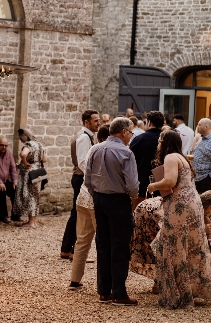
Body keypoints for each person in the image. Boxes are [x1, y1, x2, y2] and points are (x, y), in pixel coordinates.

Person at [146, 130, 211, 309]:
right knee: (190, 246)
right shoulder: (182, 157)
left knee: (172, 245)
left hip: (179, 205)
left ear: (165, 142)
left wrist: (153, 185)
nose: (158, 143)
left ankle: (178, 293)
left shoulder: (170, 158)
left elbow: (169, 182)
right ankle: (189, 289)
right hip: (192, 203)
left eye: (160, 140)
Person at [85, 117, 139, 306]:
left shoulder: (95, 149)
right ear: (124, 132)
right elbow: (133, 186)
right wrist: (131, 195)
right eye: (131, 132)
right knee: (120, 246)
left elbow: (87, 180)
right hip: (118, 200)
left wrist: (97, 194)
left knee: (103, 244)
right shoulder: (126, 152)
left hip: (100, 199)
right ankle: (119, 293)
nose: (130, 136)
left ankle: (104, 292)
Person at [68, 124, 109, 290]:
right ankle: (104, 284)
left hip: (84, 196)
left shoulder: (92, 149)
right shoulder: (106, 150)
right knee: (103, 242)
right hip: (95, 198)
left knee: (82, 240)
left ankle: (75, 280)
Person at [61, 109, 100, 260]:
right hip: (81, 177)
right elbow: (83, 162)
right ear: (87, 122)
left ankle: (67, 249)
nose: (99, 123)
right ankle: (72, 250)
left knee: (75, 213)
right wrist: (93, 178)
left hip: (80, 177)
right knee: (79, 214)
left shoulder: (86, 136)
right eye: (95, 121)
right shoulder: (84, 138)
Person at [12, 129, 47, 229]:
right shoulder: (40, 145)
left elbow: (23, 154)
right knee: (35, 196)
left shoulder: (29, 144)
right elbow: (44, 159)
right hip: (37, 173)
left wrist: (25, 162)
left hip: (28, 173)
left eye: (20, 138)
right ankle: (33, 221)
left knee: (30, 196)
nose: (20, 141)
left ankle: (31, 223)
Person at [129, 110, 164, 205]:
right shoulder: (167, 140)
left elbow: (129, 162)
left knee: (137, 216)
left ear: (149, 123)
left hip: (140, 186)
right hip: (162, 187)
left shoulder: (139, 139)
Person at [0, 136, 18, 224]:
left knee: (16, 190)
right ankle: (3, 216)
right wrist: (0, 182)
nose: (4, 147)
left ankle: (16, 215)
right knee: (1, 191)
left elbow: (13, 167)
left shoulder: (8, 153)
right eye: (2, 145)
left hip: (6, 180)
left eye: (6, 145)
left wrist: (15, 181)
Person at [193, 118, 211, 193]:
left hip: (205, 178)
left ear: (206, 127)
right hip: (196, 177)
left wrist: (209, 177)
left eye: (199, 125)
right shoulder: (201, 138)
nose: (197, 127)